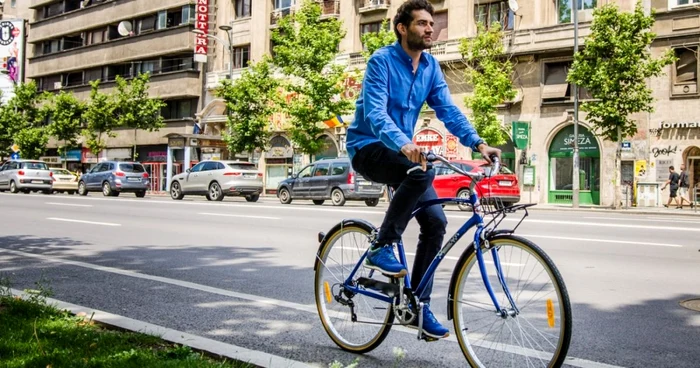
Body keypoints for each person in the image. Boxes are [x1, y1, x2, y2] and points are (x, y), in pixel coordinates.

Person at [345, 0, 501, 340]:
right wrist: (404, 144)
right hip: (369, 147)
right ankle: (380, 246)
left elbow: (448, 110)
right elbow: (375, 114)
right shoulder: (381, 62)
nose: (431, 28)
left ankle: (418, 305)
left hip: (403, 153)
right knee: (421, 172)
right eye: (422, 23)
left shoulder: (430, 67)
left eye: (432, 23)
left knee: (436, 222)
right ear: (403, 28)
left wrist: (478, 143)